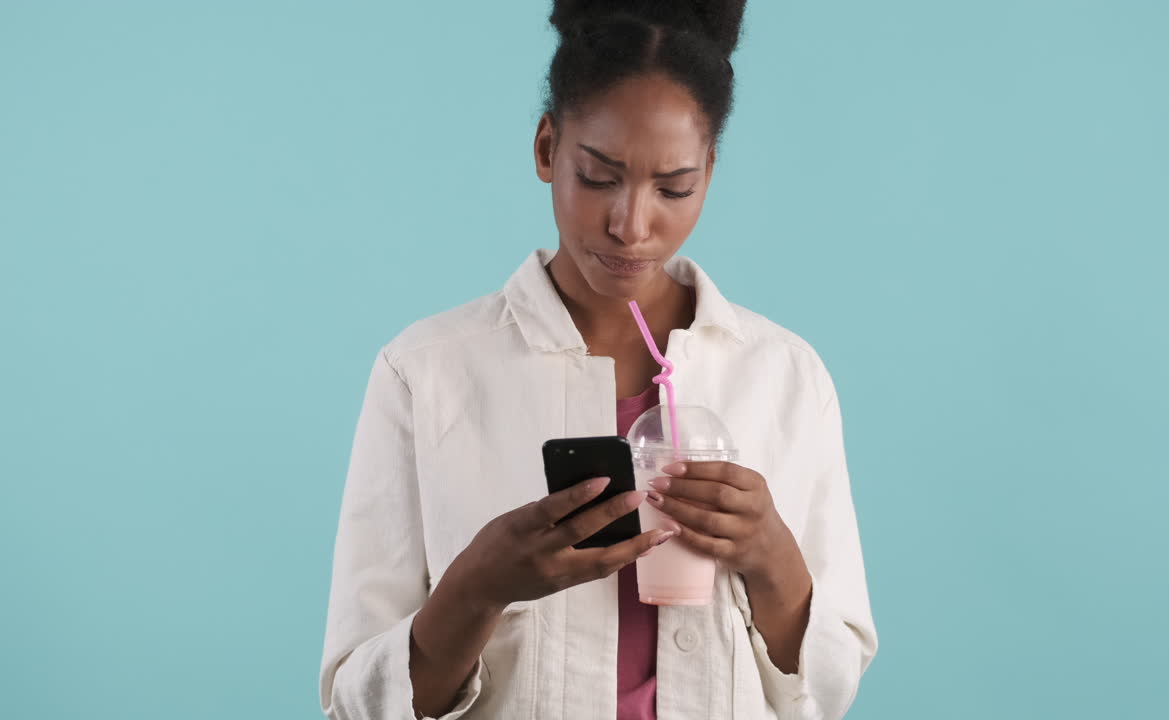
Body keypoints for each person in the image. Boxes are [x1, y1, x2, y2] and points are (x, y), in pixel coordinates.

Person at [319, 2, 877, 718]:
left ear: (709, 171)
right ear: (547, 147)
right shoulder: (423, 374)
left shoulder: (785, 376)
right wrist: (477, 588)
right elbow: (357, 703)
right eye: (598, 177)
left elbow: (829, 689)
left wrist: (772, 556)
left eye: (674, 188)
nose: (631, 225)